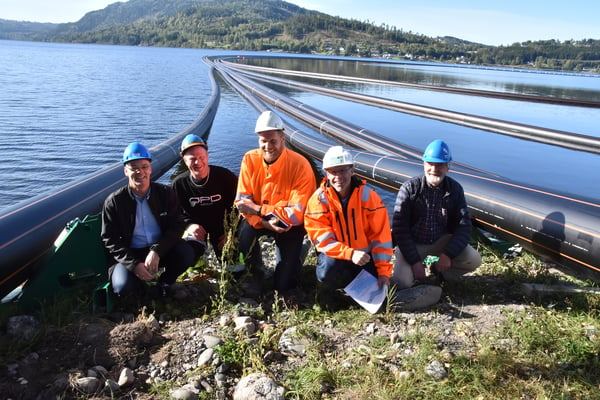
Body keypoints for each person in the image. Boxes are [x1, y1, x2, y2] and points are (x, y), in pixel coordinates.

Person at [235, 110, 316, 295]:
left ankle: (298, 254)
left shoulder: (300, 165)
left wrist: (258, 208)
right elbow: (241, 203)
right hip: (260, 221)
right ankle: (256, 271)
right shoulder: (249, 159)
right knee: (244, 234)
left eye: (273, 141)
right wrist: (263, 221)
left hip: (290, 226)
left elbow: (295, 215)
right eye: (263, 141)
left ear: (283, 138)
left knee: (283, 286)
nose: (268, 146)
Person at [101, 142, 195, 297]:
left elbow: (177, 225)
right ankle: (139, 284)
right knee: (123, 288)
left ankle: (165, 282)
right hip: (131, 253)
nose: (140, 172)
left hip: (160, 249)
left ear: (150, 169)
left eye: (144, 166)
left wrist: (157, 250)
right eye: (133, 167)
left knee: (186, 253)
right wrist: (133, 264)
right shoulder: (114, 201)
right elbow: (109, 239)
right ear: (125, 171)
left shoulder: (166, 193)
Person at [391, 139, 482, 290]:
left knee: (474, 260)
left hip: (440, 240)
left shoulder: (455, 189)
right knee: (403, 283)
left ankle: (439, 272)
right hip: (413, 243)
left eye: (439, 165)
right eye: (430, 164)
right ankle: (417, 270)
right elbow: (400, 229)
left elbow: (464, 227)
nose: (434, 169)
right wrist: (415, 262)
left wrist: (448, 254)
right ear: (424, 164)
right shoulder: (409, 189)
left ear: (448, 167)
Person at [304, 146, 392, 297]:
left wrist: (383, 272)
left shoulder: (369, 197)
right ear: (326, 173)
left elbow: (381, 237)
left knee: (378, 285)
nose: (338, 176)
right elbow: (322, 240)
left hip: (364, 256)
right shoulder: (318, 200)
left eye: (343, 170)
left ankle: (355, 285)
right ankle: (327, 295)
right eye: (333, 171)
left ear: (352, 171)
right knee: (326, 273)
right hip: (336, 256)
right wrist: (350, 254)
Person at [172, 134, 238, 260]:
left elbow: (239, 207)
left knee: (234, 268)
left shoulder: (225, 177)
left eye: (201, 157)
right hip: (198, 231)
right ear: (184, 160)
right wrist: (189, 225)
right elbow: (175, 213)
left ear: (207, 156)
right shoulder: (179, 184)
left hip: (223, 231)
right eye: (192, 159)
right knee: (184, 256)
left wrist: (231, 232)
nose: (198, 162)